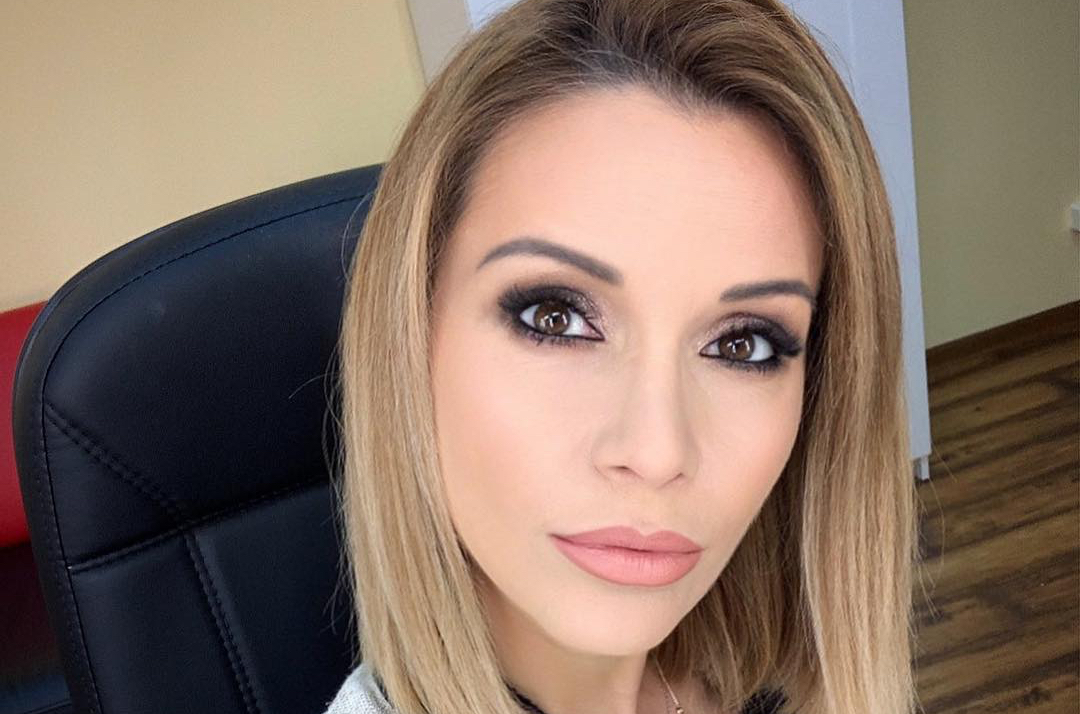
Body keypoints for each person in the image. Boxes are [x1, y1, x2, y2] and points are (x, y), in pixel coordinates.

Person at [326, 0, 919, 712]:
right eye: (556, 318)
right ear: (411, 334)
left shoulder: (784, 685)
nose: (658, 452)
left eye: (743, 343)